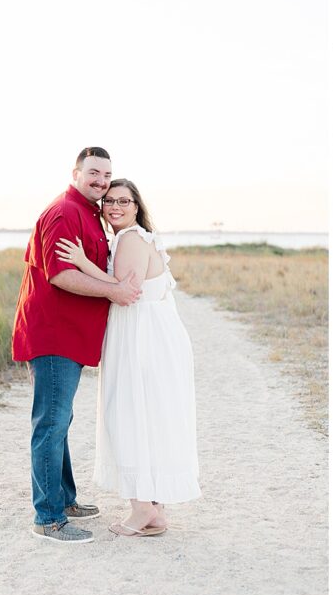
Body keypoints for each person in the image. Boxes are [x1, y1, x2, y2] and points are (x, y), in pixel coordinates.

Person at [54, 178, 201, 537]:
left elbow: (123, 289)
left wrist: (81, 262)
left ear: (137, 206)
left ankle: (142, 509)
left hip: (142, 339)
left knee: (131, 414)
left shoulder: (132, 238)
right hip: (145, 335)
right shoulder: (132, 238)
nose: (115, 207)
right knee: (146, 416)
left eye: (124, 200)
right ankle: (154, 511)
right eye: (109, 201)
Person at [12, 147, 142, 544]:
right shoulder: (65, 211)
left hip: (69, 335)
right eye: (94, 173)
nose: (101, 181)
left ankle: (64, 500)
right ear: (76, 173)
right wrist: (115, 292)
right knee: (50, 423)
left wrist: (114, 288)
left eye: (107, 174)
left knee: (60, 420)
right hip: (54, 334)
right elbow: (61, 275)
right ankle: (48, 518)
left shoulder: (87, 211)